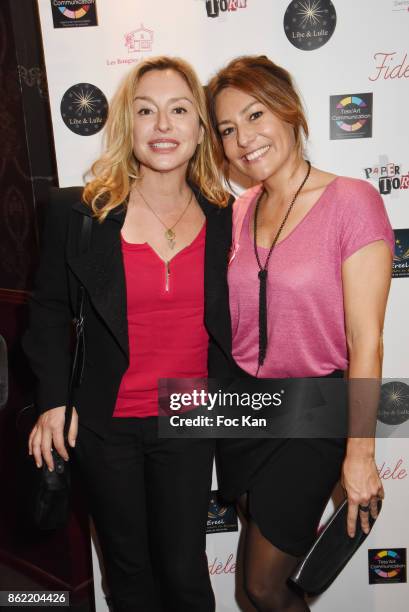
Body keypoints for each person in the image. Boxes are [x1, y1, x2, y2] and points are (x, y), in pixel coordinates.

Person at [23, 56, 232, 612]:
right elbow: (45, 313)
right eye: (147, 111)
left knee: (186, 574)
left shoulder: (227, 217)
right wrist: (51, 403)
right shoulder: (81, 213)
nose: (163, 125)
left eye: (179, 110)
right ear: (126, 124)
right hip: (104, 422)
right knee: (129, 575)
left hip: (189, 415)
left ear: (200, 128)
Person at [206, 55, 394, 612]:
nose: (244, 138)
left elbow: (368, 341)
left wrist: (360, 453)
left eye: (255, 114)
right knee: (266, 588)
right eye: (227, 129)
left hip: (314, 410)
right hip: (242, 406)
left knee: (263, 587)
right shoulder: (238, 210)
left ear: (288, 109)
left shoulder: (352, 202)